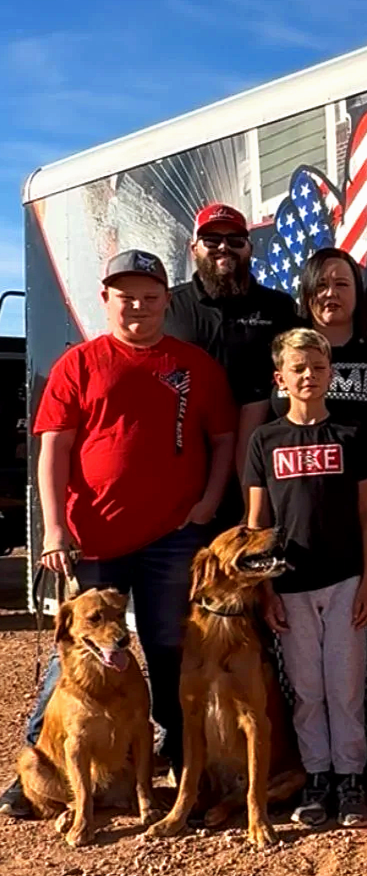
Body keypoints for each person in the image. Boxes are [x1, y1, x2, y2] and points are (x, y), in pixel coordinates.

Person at [0, 250, 236, 816]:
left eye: (150, 297)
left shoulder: (193, 366)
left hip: (173, 537)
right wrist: (54, 529)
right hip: (93, 539)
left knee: (170, 649)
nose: (138, 307)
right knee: (77, 651)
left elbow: (224, 438)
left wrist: (207, 503)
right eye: (126, 297)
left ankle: (182, 759)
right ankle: (39, 764)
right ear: (105, 299)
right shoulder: (79, 364)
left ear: (166, 301)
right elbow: (53, 450)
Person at [270, 246, 367, 784]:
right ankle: (314, 767)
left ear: (358, 293)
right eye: (321, 284)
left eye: (342, 283)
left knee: (365, 647)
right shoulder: (288, 359)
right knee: (306, 666)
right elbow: (266, 438)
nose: (331, 293)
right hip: (303, 527)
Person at [244, 327, 367, 829]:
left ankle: (351, 779)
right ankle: (316, 777)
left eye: (318, 368)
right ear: (280, 377)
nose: (309, 376)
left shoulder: (351, 433)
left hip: (345, 581)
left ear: (330, 374)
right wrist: (265, 588)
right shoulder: (265, 439)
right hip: (290, 584)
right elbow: (256, 523)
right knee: (307, 689)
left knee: (345, 686)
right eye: (298, 368)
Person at [165, 203, 299, 532]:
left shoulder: (279, 307)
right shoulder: (168, 306)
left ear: (249, 248)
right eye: (212, 240)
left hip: (257, 472)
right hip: (186, 475)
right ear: (194, 248)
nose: (224, 247)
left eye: (236, 240)